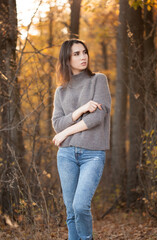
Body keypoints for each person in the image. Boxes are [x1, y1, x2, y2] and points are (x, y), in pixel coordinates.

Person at [52, 39, 111, 240]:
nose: (83, 56)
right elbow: (57, 124)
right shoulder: (60, 91)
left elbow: (97, 117)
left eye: (84, 52)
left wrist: (66, 133)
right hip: (66, 155)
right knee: (71, 212)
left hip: (92, 154)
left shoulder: (98, 80)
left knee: (80, 205)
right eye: (76, 54)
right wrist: (81, 109)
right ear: (67, 59)